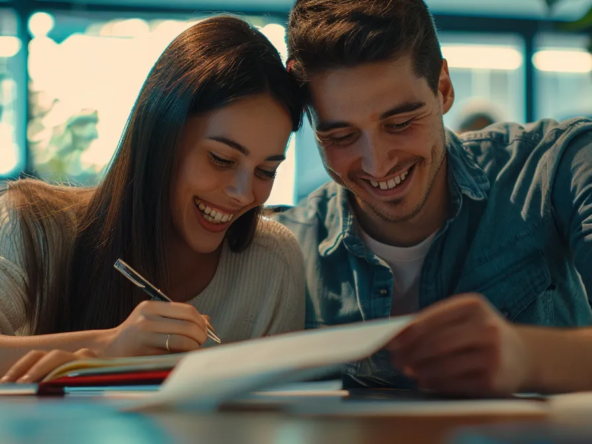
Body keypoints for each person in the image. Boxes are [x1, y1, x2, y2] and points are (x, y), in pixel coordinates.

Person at [272, 0, 592, 394]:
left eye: (401, 122)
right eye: (341, 137)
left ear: (443, 88)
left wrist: (529, 356)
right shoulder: (282, 249)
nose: (377, 164)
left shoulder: (556, 166)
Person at [0, 16, 305, 383]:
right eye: (220, 160)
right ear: (159, 141)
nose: (243, 193)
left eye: (266, 171)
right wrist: (106, 349)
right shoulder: (29, 227)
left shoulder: (272, 265)